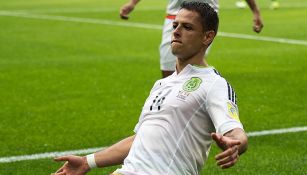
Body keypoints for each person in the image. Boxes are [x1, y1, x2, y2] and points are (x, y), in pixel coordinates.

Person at [52, 2, 248, 175]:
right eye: (175, 25)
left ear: (207, 36)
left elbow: (235, 132)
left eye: (187, 27)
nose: (176, 31)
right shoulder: (161, 84)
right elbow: (141, 140)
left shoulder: (214, 83)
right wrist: (88, 161)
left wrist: (236, 144)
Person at [120, 0, 263, 78]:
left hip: (205, 18)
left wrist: (256, 11)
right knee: (170, 71)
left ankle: (193, 115)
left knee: (189, 66)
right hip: (176, 17)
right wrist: (132, 3)